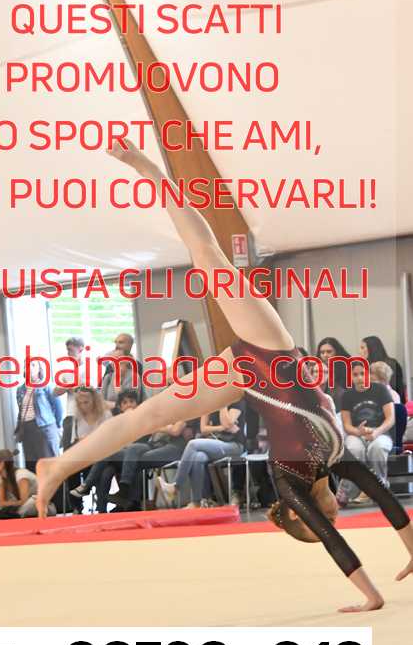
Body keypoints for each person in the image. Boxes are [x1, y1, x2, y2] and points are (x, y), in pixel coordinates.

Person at [37, 141, 413, 613]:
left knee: (150, 406)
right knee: (205, 266)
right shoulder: (336, 462)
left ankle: (61, 464)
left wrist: (371, 598)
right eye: (334, 517)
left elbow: (333, 542)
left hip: (253, 365)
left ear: (306, 513)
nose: (336, 513)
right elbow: (386, 498)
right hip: (269, 359)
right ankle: (60, 466)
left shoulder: (291, 484)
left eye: (328, 516)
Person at [156, 404, 245, 508]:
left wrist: (222, 405)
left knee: (192, 444)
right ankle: (197, 501)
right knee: (198, 457)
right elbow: (204, 429)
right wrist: (221, 428)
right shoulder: (209, 402)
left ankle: (175, 486)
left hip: (233, 445)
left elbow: (226, 423)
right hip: (214, 444)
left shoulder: (237, 402)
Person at [69, 389, 142, 512]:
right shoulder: (117, 421)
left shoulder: (110, 416)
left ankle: (88, 488)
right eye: (125, 403)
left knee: (106, 465)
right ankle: (92, 508)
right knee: (102, 472)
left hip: (115, 455)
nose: (128, 405)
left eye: (131, 401)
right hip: (101, 457)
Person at [339, 361, 395, 505]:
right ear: (351, 377)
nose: (359, 378)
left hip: (381, 433)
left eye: (362, 374)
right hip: (356, 434)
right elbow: (347, 425)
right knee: (354, 450)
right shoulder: (347, 395)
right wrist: (358, 431)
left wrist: (376, 432)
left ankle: (380, 488)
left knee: (377, 448)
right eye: (355, 375)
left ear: (368, 374)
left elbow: (390, 419)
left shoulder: (381, 390)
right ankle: (347, 492)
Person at [15, 359, 63, 472]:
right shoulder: (20, 389)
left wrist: (58, 425)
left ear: (39, 369)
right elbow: (21, 411)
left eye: (33, 365)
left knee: (49, 465)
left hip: (44, 428)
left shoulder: (46, 385)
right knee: (32, 467)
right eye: (27, 365)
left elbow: (58, 407)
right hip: (27, 430)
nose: (30, 368)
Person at [0, 448, 56, 519]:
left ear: (2, 463)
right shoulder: (1, 479)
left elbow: (23, 501)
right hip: (17, 507)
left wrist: (8, 504)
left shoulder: (21, 475)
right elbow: (1, 503)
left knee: (31, 502)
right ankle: (8, 514)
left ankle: (5, 515)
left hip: (42, 506)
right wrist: (10, 504)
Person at [101, 333, 143, 412]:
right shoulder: (109, 375)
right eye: (113, 360)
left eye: (120, 342)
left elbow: (132, 401)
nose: (117, 345)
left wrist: (114, 403)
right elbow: (101, 401)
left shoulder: (135, 371)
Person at [360, 335, 405, 402]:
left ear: (371, 348)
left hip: (391, 401)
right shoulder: (364, 366)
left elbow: (396, 387)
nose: (359, 352)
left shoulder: (391, 364)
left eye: (362, 348)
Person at [53, 336, 87, 417]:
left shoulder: (90, 368)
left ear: (81, 349)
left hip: (86, 414)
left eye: (70, 350)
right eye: (67, 350)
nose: (68, 354)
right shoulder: (67, 370)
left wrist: (66, 386)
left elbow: (85, 391)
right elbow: (55, 392)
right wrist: (70, 386)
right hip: (70, 414)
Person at [316, 337, 350, 410]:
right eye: (322, 352)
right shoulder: (316, 369)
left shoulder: (347, 369)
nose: (325, 355)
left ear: (337, 352)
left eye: (329, 352)